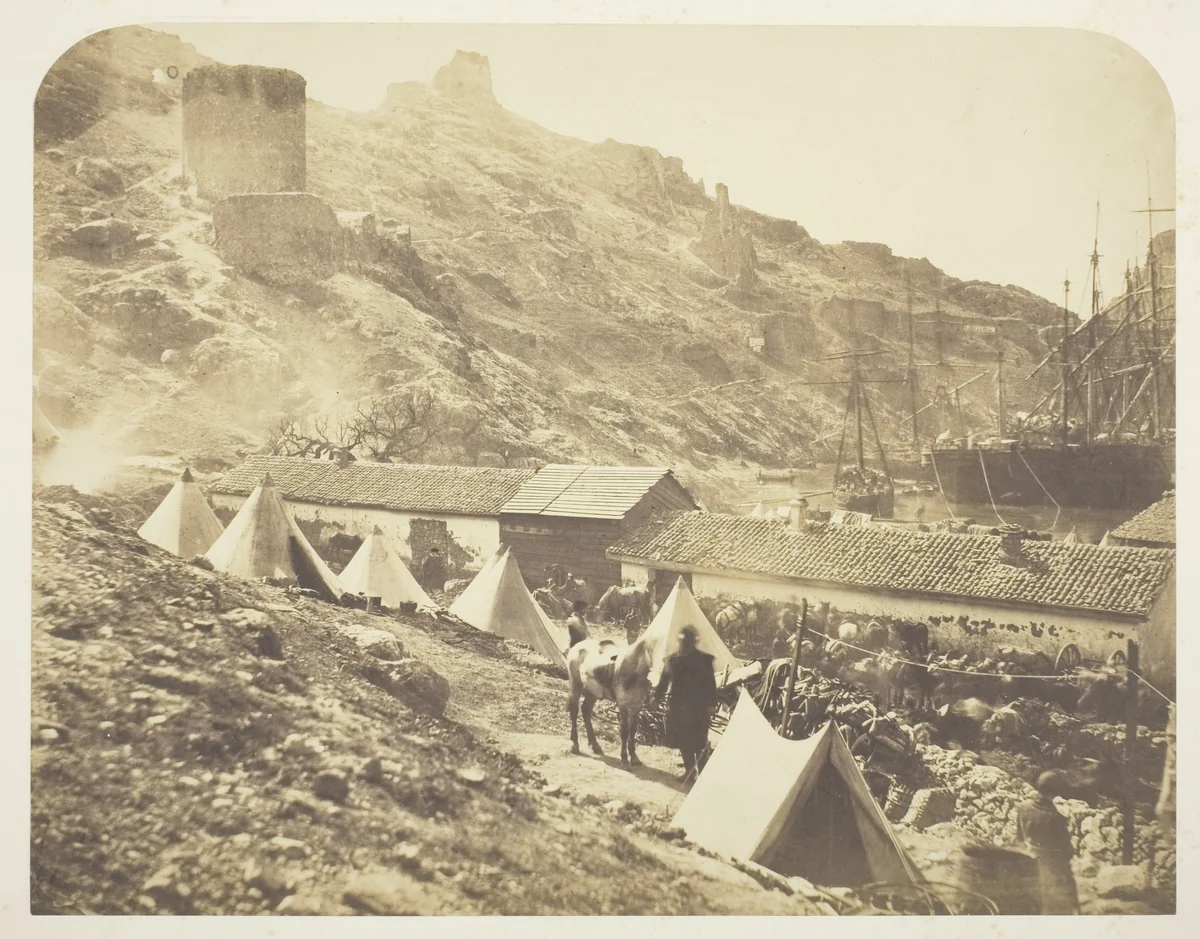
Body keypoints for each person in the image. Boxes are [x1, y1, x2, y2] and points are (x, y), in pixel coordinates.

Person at [654, 626, 717, 784]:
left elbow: (711, 684)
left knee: (700, 741)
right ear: (680, 642)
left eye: (689, 641)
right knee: (683, 740)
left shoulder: (704, 660)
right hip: (679, 707)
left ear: (694, 642)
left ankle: (703, 775)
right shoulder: (673, 660)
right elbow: (664, 681)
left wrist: (711, 704)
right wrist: (656, 698)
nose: (686, 644)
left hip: (698, 708)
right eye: (683, 641)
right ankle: (690, 772)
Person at [1015, 771, 1080, 914]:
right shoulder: (1056, 818)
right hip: (1050, 869)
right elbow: (1067, 853)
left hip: (1030, 861)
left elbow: (1019, 838)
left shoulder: (1023, 807)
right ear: (1054, 793)